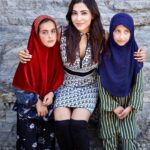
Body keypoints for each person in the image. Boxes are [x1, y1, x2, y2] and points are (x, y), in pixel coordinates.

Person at [17, 1, 146, 150]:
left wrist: (141, 53)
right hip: (65, 84)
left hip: (89, 85)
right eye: (74, 13)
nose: (78, 18)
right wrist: (23, 53)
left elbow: (123, 42)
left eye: (84, 13)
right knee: (62, 124)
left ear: (93, 14)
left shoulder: (102, 36)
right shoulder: (61, 33)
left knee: (77, 125)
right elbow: (42, 43)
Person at [12, 15, 64, 150]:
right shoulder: (28, 57)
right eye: (44, 32)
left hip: (48, 112)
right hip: (29, 113)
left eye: (53, 31)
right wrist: (37, 102)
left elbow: (60, 80)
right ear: (36, 34)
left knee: (47, 146)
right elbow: (19, 87)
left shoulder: (57, 55)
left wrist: (52, 93)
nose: (50, 36)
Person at [98, 12, 144, 150]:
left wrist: (130, 107)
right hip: (108, 109)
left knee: (129, 139)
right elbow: (100, 83)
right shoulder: (104, 55)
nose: (121, 36)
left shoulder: (136, 56)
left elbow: (139, 85)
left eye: (126, 31)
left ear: (132, 33)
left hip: (129, 108)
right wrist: (113, 106)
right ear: (111, 31)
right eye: (117, 31)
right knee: (108, 139)